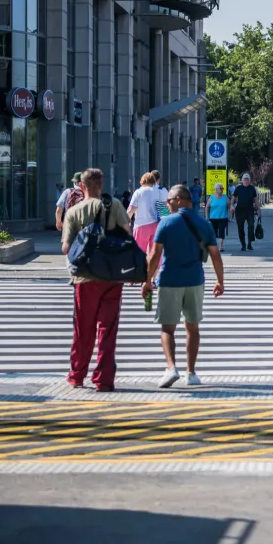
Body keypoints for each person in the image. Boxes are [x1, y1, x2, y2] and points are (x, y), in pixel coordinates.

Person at [143, 184, 224, 388]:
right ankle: (191, 373)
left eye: (169, 201)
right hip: (195, 280)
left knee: (168, 328)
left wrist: (147, 280)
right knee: (192, 327)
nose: (167, 205)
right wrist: (220, 281)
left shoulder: (166, 223)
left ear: (178, 200)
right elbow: (215, 255)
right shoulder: (204, 224)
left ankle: (171, 368)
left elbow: (155, 255)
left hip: (170, 280)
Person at [61, 168, 131, 392]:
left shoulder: (74, 211)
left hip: (85, 278)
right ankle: (103, 380)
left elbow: (65, 248)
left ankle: (77, 375)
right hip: (112, 276)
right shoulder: (116, 206)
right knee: (108, 330)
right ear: (101, 185)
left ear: (82, 186)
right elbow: (128, 234)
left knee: (83, 328)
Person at [127, 172, 167, 255]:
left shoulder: (138, 192)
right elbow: (163, 210)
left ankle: (141, 267)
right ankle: (155, 267)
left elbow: (131, 209)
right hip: (155, 225)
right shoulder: (158, 191)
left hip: (141, 226)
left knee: (139, 252)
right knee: (155, 253)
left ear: (142, 181)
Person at [232, 173, 260, 251]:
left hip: (250, 210)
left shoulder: (252, 188)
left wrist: (258, 209)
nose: (246, 181)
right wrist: (231, 206)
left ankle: (249, 244)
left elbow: (255, 199)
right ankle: (243, 244)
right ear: (242, 180)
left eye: (247, 179)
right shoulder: (238, 188)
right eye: (245, 179)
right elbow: (233, 197)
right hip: (240, 210)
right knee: (240, 228)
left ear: (249, 180)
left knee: (251, 226)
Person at [207, 183, 229, 252]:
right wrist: (207, 217)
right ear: (216, 189)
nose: (222, 190)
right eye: (220, 188)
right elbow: (207, 207)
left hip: (223, 218)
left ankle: (221, 247)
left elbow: (229, 205)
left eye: (222, 188)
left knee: (221, 232)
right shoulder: (211, 197)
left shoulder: (225, 197)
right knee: (214, 233)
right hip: (213, 218)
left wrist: (231, 209)